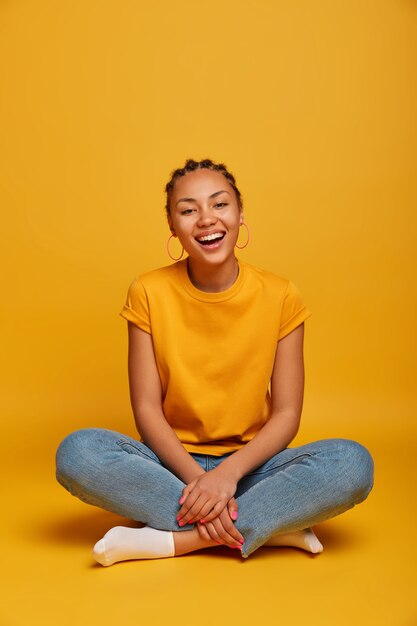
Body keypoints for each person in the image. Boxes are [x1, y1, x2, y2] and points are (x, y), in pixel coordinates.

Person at [56, 158, 374, 566]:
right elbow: (147, 410)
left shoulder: (280, 294)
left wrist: (226, 477)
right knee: (77, 452)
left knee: (352, 463)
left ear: (240, 215)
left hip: (252, 467)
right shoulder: (148, 291)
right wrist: (200, 481)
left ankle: (171, 542)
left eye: (219, 205)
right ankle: (269, 526)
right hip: (171, 467)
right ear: (173, 227)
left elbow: (287, 414)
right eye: (188, 210)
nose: (206, 219)